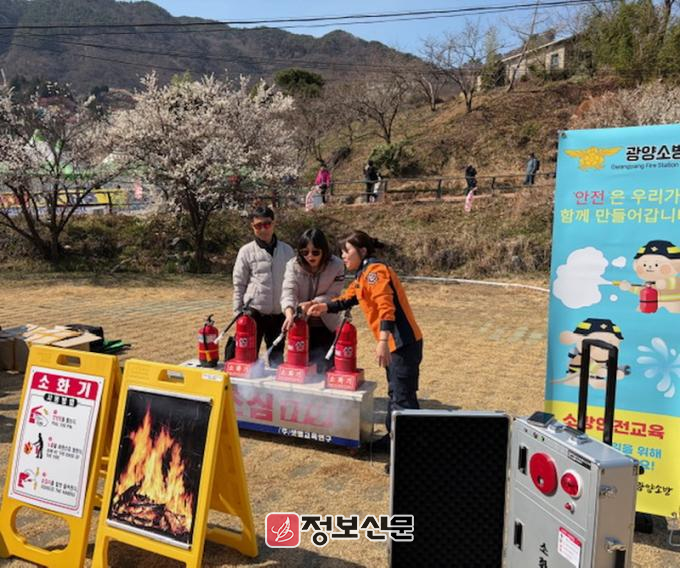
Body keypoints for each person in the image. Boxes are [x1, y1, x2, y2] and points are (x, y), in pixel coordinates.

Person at [308, 230, 423, 452]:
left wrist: (383, 340)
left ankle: (405, 451)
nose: (343, 256)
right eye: (341, 252)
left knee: (403, 398)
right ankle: (394, 441)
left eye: (346, 251)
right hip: (395, 344)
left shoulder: (375, 273)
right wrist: (324, 306)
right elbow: (348, 298)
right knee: (396, 393)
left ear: (362, 251)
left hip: (402, 343)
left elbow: (386, 307)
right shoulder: (363, 275)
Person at [232, 206, 295, 366]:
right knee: (247, 357)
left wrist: (292, 308)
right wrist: (237, 313)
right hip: (254, 313)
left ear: (274, 223)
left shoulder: (287, 250)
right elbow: (239, 284)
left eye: (267, 224)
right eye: (258, 225)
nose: (263, 229)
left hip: (279, 313)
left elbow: (293, 282)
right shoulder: (246, 251)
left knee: (277, 358)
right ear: (252, 227)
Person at [281, 228, 345, 372]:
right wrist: (289, 313)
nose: (310, 256)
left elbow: (334, 295)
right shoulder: (293, 265)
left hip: (328, 325)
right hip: (301, 326)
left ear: (324, 251)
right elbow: (288, 291)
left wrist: (311, 303)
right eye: (305, 252)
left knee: (327, 370)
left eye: (315, 252)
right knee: (300, 368)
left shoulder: (337, 265)